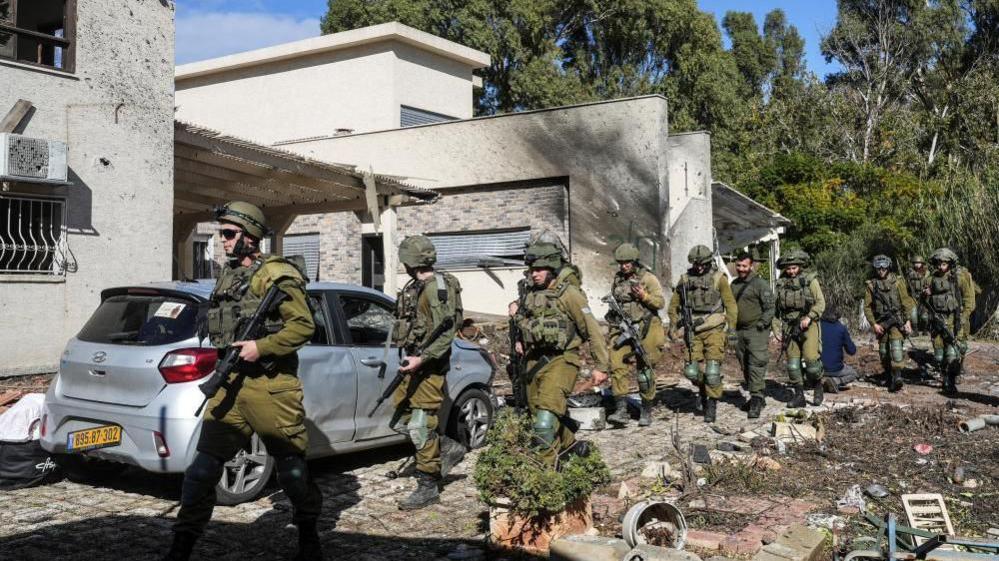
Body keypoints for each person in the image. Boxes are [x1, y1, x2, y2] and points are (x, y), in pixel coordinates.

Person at [164, 202, 323, 561]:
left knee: (292, 471)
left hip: (271, 386)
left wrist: (262, 346)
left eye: (229, 233)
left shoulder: (277, 274)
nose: (222, 240)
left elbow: (303, 325)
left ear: (251, 237)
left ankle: (309, 537)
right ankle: (180, 546)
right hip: (229, 385)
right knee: (202, 469)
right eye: (221, 233)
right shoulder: (229, 274)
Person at [514, 241, 609, 465]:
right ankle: (572, 447)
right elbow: (527, 322)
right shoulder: (530, 294)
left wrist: (601, 367)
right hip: (533, 361)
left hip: (562, 360)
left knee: (544, 422)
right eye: (531, 270)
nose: (534, 274)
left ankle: (546, 477)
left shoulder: (570, 295)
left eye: (539, 269)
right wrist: (519, 337)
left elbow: (592, 330)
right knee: (536, 415)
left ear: (552, 268)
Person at [391, 235, 467, 510]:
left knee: (420, 426)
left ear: (410, 261)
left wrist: (422, 359)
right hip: (413, 365)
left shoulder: (436, 289)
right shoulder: (417, 286)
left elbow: (446, 334)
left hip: (429, 368)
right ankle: (447, 448)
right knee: (401, 419)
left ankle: (428, 485)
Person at [668, 245, 738, 423]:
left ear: (709, 262)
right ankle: (704, 390)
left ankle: (711, 405)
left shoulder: (719, 279)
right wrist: (673, 324)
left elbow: (730, 305)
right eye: (696, 264)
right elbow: (674, 305)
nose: (699, 267)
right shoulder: (685, 280)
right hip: (693, 330)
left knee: (713, 371)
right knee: (691, 371)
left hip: (714, 328)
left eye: (703, 264)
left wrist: (731, 328)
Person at [605, 243, 665, 427]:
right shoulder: (618, 279)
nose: (624, 266)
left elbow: (660, 303)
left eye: (627, 262)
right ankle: (621, 410)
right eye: (621, 263)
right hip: (622, 328)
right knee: (617, 366)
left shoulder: (648, 278)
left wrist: (644, 296)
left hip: (646, 328)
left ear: (634, 261)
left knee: (645, 371)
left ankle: (646, 410)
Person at [773, 249, 826, 408]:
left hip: (808, 325)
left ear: (800, 266)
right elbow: (775, 311)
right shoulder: (781, 284)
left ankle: (818, 386)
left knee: (811, 361)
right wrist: (776, 329)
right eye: (788, 268)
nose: (791, 271)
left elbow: (820, 303)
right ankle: (799, 396)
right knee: (793, 365)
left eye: (794, 268)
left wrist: (809, 317)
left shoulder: (810, 281)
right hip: (789, 327)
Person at [923, 248, 977, 394]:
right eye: (939, 263)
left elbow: (969, 301)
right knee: (939, 355)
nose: (941, 266)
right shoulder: (930, 279)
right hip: (937, 321)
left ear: (950, 264)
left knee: (952, 354)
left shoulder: (959, 278)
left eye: (944, 263)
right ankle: (944, 376)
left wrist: (964, 318)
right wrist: (926, 295)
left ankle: (951, 381)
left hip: (954, 320)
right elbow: (924, 302)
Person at [729, 250, 775, 419]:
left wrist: (763, 323)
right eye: (738, 265)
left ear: (751, 266)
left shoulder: (760, 284)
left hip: (757, 330)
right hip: (739, 331)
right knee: (745, 364)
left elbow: (770, 307)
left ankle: (756, 398)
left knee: (756, 363)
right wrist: (730, 329)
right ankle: (758, 395)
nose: (741, 269)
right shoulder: (733, 285)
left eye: (744, 266)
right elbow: (729, 308)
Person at [863, 255, 915, 392]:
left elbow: (906, 302)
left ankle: (897, 376)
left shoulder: (897, 283)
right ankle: (889, 376)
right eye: (878, 268)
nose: (881, 270)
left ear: (888, 267)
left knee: (896, 349)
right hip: (881, 323)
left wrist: (908, 321)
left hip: (896, 321)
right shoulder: (871, 285)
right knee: (884, 352)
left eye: (884, 267)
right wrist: (874, 324)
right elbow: (867, 307)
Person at [820, 308, 859, 389]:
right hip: (836, 369)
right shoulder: (841, 328)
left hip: (819, 368)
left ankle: (819, 381)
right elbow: (852, 351)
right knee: (853, 373)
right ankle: (837, 381)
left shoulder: (818, 327)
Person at [905, 256, 931, 332]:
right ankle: (915, 330)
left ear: (922, 263)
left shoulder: (927, 273)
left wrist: (927, 290)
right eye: (915, 263)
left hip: (924, 297)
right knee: (913, 314)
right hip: (913, 296)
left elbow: (929, 284)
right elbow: (907, 285)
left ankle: (925, 330)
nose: (917, 265)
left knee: (925, 315)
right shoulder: (909, 274)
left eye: (919, 263)